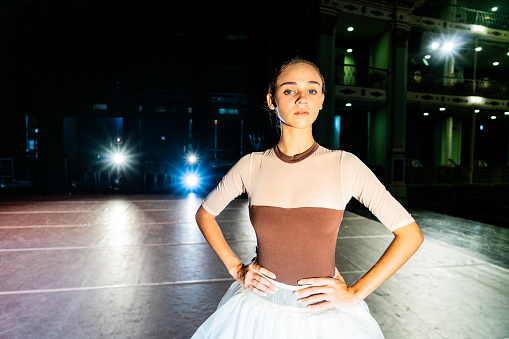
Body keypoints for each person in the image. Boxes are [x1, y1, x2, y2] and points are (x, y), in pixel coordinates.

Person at [192, 58, 424, 338]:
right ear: (271, 99)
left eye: (312, 91)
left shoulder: (344, 165)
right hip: (257, 314)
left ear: (322, 100)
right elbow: (205, 214)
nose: (302, 98)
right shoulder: (252, 165)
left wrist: (355, 293)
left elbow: (410, 235)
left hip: (324, 319)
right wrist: (236, 269)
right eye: (290, 90)